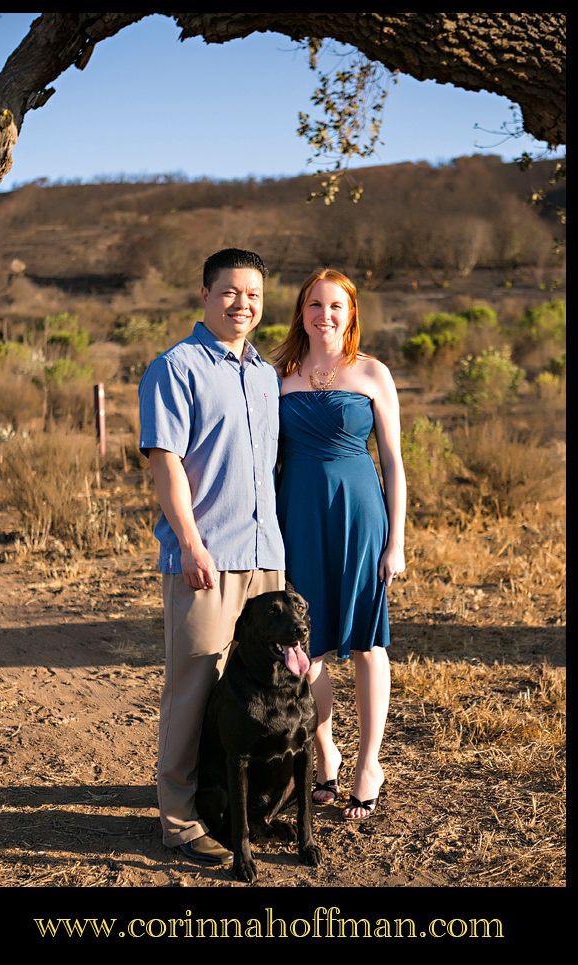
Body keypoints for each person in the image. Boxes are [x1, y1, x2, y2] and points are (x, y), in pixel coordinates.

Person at [138, 248, 286, 865]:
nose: (241, 303)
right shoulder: (175, 368)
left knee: (263, 686)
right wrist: (192, 543)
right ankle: (177, 818)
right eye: (229, 292)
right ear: (204, 295)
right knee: (193, 686)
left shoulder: (265, 375)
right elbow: (164, 463)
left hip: (265, 556)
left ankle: (241, 803)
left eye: (252, 294)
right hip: (206, 557)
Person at [273, 268, 406, 821]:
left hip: (360, 517)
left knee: (366, 644)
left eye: (335, 306)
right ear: (300, 312)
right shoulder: (277, 376)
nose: (324, 315)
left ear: (351, 313)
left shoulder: (372, 372)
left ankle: (368, 763)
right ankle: (325, 751)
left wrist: (396, 541)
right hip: (297, 515)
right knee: (309, 646)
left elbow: (395, 463)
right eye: (314, 305)